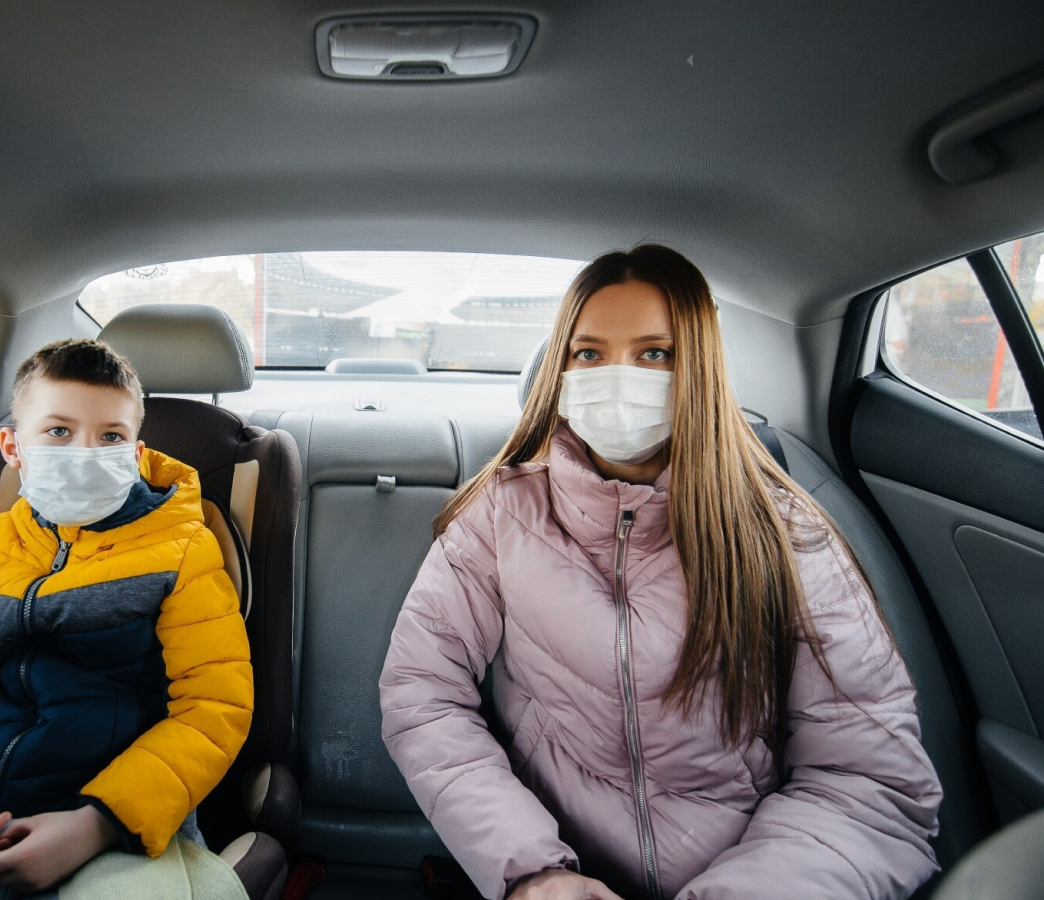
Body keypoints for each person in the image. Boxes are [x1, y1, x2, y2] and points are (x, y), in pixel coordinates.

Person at [379, 245, 942, 900]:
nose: (618, 376)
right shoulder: (502, 516)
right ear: (560, 371)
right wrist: (531, 871)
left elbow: (870, 785)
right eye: (589, 353)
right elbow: (422, 691)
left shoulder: (784, 535)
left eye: (654, 354)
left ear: (697, 368)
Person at [0, 338, 253, 898]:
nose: (84, 452)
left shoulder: (182, 551)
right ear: (13, 447)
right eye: (58, 431)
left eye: (110, 436)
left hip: (114, 823)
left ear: (136, 451)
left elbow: (213, 707)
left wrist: (94, 824)